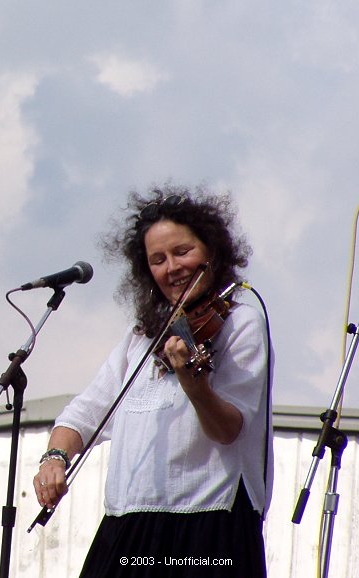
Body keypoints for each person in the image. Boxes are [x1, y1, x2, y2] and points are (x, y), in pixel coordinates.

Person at [33, 184, 272, 577]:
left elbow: (229, 429)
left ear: (211, 250)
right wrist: (55, 458)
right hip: (130, 523)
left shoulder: (240, 320)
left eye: (182, 252)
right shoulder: (143, 335)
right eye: (157, 259)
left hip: (207, 521)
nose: (172, 268)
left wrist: (193, 383)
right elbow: (85, 411)